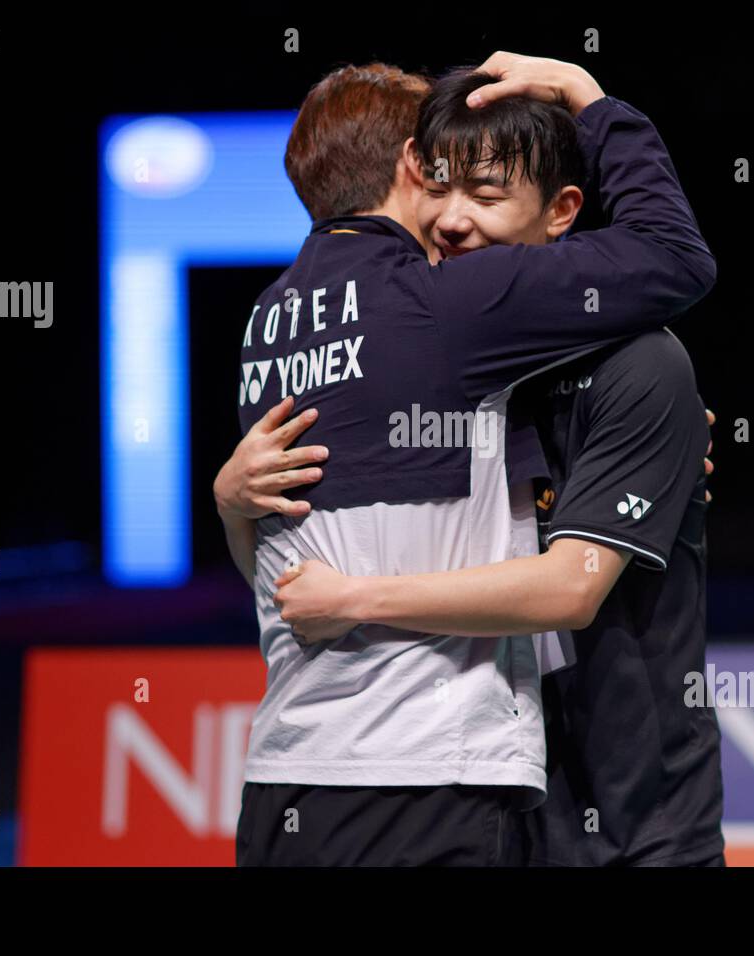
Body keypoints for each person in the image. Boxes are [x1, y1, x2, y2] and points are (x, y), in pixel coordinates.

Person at [217, 53, 715, 865]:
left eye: (482, 194)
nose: (451, 219)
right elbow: (672, 252)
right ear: (413, 167)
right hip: (449, 784)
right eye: (441, 185)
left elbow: (569, 589)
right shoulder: (450, 326)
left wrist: (240, 509)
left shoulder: (271, 322)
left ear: (561, 212)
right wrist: (234, 497)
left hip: (632, 823)